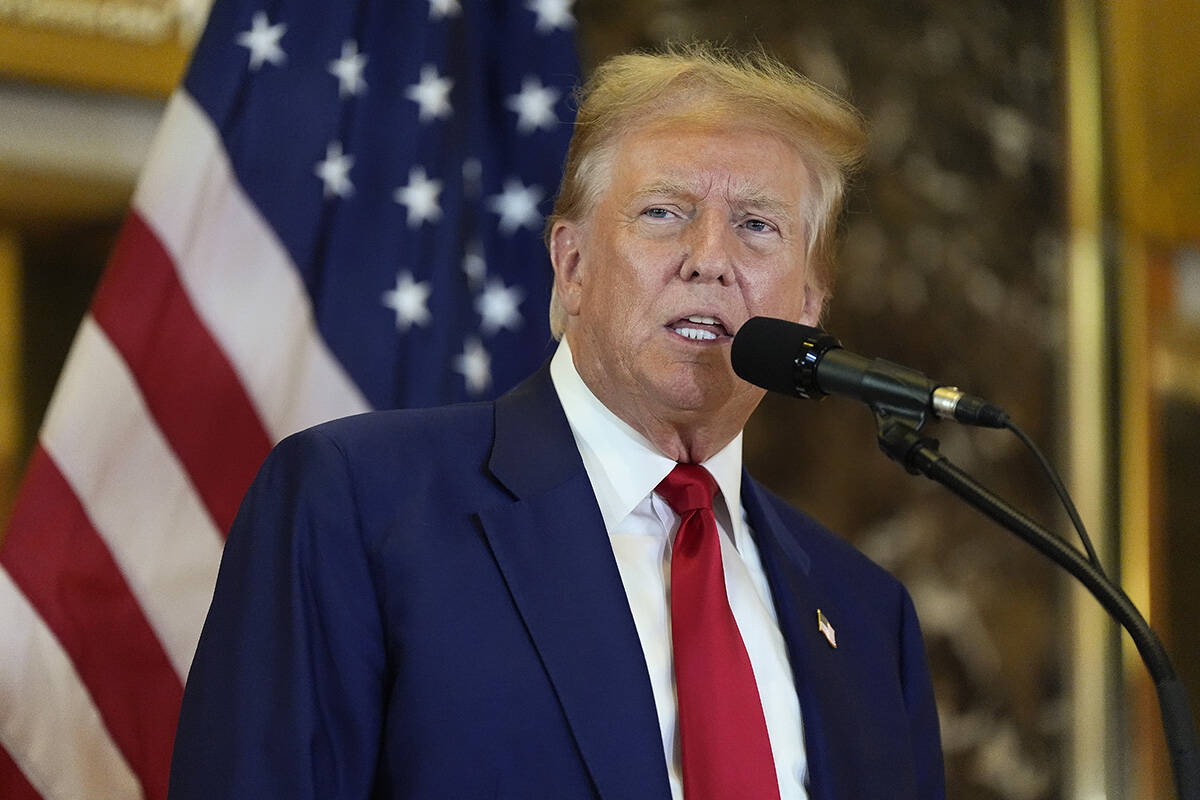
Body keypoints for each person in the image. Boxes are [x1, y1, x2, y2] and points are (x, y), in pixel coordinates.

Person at [169, 45, 945, 799]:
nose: (709, 259)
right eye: (664, 212)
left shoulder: (868, 618)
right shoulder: (358, 506)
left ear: (809, 306)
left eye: (757, 226)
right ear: (571, 266)